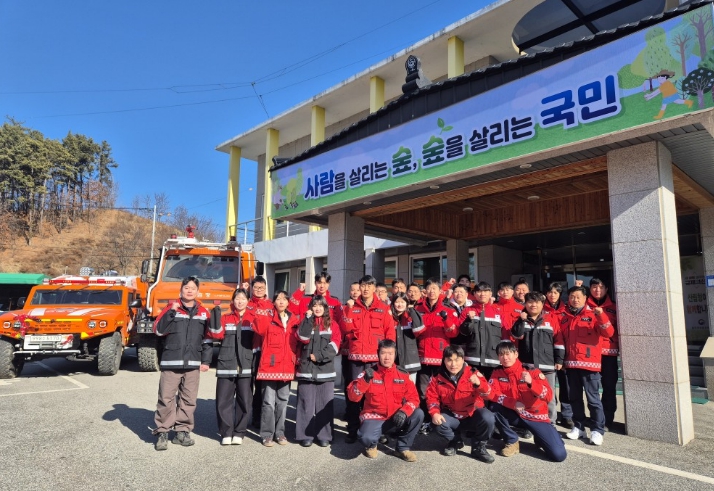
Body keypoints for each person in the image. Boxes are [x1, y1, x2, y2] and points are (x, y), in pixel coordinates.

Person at [480, 341, 567, 462]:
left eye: (508, 353)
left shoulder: (531, 371)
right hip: (515, 414)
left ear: (516, 354)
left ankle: (543, 436)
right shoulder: (497, 373)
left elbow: (548, 396)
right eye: (501, 354)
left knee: (559, 455)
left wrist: (532, 383)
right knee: (494, 408)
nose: (505, 357)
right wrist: (512, 403)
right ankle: (512, 441)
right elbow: (493, 394)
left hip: (536, 417)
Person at [152, 277, 212, 451]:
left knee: (188, 399)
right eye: (186, 287)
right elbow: (158, 330)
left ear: (198, 291)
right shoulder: (171, 308)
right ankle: (163, 431)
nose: (190, 290)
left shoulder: (203, 312)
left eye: (193, 288)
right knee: (166, 398)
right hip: (171, 362)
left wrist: (206, 361)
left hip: (193, 363)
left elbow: (208, 339)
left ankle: (182, 432)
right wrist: (171, 312)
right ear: (181, 290)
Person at [347, 339, 424, 462]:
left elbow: (414, 399)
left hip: (396, 417)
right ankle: (372, 444)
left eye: (390, 353)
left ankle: (402, 448)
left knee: (418, 414)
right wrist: (364, 381)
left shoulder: (403, 374)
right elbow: (353, 397)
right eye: (383, 353)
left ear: (395, 354)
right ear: (378, 354)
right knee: (365, 438)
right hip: (375, 417)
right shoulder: (368, 373)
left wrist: (404, 411)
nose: (387, 357)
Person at [342, 275, 396, 442]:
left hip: (375, 360)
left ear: (374, 288)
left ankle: (377, 430)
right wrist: (348, 310)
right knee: (354, 394)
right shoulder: (351, 307)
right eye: (363, 286)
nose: (365, 289)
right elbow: (346, 328)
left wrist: (388, 356)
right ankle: (352, 430)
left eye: (368, 286)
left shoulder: (383, 308)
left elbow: (390, 333)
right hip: (356, 358)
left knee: (375, 396)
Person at [559, 286, 613, 446]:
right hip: (571, 365)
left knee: (593, 400)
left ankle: (597, 430)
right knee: (574, 398)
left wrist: (601, 315)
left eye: (578, 297)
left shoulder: (593, 315)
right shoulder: (565, 317)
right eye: (572, 297)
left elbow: (608, 333)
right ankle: (579, 426)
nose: (575, 300)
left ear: (585, 298)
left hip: (590, 365)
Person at [426, 345, 496, 463]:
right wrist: (434, 413)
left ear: (463, 360)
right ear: (444, 361)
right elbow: (431, 397)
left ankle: (478, 448)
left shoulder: (474, 373)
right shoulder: (437, 377)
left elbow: (490, 395)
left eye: (457, 360)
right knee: (437, 423)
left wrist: (479, 384)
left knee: (488, 418)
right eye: (449, 360)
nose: (453, 364)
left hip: (472, 415)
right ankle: (455, 441)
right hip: (452, 416)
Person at [252, 290, 299, 447]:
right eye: (278, 299)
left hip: (287, 367)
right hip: (269, 367)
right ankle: (267, 434)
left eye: (284, 299)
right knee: (268, 403)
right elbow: (259, 329)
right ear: (273, 302)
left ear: (288, 302)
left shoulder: (294, 320)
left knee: (283, 402)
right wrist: (262, 306)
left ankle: (280, 433)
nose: (281, 301)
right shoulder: (268, 317)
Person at [510, 291, 563, 425]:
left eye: (537, 302)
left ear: (542, 304)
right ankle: (528, 424)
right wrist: (521, 320)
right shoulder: (521, 319)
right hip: (527, 366)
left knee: (548, 396)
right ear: (525, 304)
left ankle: (550, 423)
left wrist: (559, 359)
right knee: (526, 396)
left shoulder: (551, 319)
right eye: (530, 302)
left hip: (547, 365)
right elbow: (515, 335)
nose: (533, 305)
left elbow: (558, 340)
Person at [295, 295, 341, 447]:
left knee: (324, 405)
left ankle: (324, 435)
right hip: (306, 370)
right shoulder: (306, 321)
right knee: (305, 404)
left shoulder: (332, 324)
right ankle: (305, 435)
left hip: (325, 371)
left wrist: (319, 356)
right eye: (314, 305)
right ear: (310, 308)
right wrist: (308, 319)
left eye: (321, 305)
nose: (317, 308)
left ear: (325, 308)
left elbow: (335, 345)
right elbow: (302, 337)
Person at [414, 278, 459, 434]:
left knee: (442, 391)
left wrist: (446, 319)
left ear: (440, 291)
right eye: (429, 288)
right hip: (423, 356)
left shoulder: (448, 309)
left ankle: (441, 420)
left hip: (441, 357)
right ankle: (425, 420)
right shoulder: (418, 308)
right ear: (425, 291)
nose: (432, 291)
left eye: (435, 288)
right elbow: (414, 331)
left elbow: (453, 333)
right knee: (423, 391)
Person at [212, 288, 255, 445]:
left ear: (248, 301)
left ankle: (239, 432)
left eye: (243, 298)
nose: (240, 301)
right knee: (223, 400)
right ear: (232, 301)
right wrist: (215, 315)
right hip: (226, 364)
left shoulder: (253, 318)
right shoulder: (226, 317)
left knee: (244, 401)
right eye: (237, 298)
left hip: (245, 365)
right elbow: (216, 334)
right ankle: (226, 432)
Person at [458, 281, 510, 380]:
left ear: (490, 294)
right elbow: (462, 332)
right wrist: (469, 320)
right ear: (474, 294)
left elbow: (505, 335)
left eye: (485, 291)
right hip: (472, 359)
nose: (482, 294)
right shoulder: (467, 311)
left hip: (494, 360)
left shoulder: (498, 313)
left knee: (493, 388)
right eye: (479, 291)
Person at [586, 278, 619, 430]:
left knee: (609, 387)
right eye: (594, 287)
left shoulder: (614, 307)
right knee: (591, 389)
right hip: (590, 354)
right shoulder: (584, 306)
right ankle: (595, 418)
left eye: (601, 287)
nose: (597, 290)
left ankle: (607, 419)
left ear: (606, 289)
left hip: (609, 355)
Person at [542, 281, 572, 427]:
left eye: (555, 292)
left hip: (565, 351)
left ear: (560, 294)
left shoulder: (567, 309)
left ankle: (567, 415)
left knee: (566, 385)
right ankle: (551, 413)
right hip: (547, 353)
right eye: (550, 292)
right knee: (549, 387)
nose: (552, 295)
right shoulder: (541, 309)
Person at [246, 276, 274, 428]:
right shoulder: (246, 303)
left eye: (261, 288)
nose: (258, 290)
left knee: (260, 386)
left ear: (265, 289)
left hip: (263, 350)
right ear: (251, 288)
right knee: (246, 385)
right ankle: (244, 416)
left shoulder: (270, 305)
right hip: (246, 349)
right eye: (256, 287)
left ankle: (258, 417)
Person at [390, 292, 422, 382]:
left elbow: (419, 330)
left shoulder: (410, 316)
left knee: (410, 386)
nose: (400, 305)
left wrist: (412, 311)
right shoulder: (390, 317)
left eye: (402, 302)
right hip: (394, 359)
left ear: (407, 303)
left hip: (410, 360)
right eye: (397, 302)